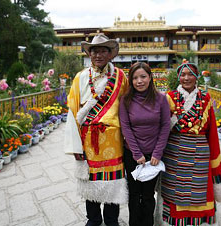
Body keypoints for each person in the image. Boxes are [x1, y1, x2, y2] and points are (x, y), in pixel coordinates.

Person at [64, 34, 129, 226]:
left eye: (103, 51)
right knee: (89, 181)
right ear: (89, 54)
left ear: (110, 55)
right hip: (87, 139)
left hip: (113, 140)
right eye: (94, 51)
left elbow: (126, 108)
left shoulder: (120, 77)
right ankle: (93, 218)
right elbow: (73, 110)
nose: (98, 55)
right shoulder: (81, 77)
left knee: (113, 182)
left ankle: (111, 218)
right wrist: (75, 146)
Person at [159, 60, 221, 226]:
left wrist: (214, 158)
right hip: (174, 152)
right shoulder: (170, 97)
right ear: (178, 77)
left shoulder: (205, 98)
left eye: (190, 74)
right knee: (174, 190)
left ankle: (201, 220)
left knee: (200, 188)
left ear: (196, 77)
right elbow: (161, 127)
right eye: (182, 74)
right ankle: (172, 220)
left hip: (199, 152)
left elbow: (211, 130)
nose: (186, 78)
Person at [119, 62, 170, 226]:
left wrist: (157, 153)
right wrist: (136, 153)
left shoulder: (161, 99)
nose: (139, 81)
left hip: (153, 156)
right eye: (135, 78)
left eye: (143, 76)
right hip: (132, 154)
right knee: (134, 194)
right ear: (130, 80)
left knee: (148, 195)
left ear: (150, 77)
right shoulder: (125, 100)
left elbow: (165, 126)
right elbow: (125, 127)